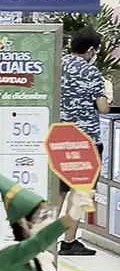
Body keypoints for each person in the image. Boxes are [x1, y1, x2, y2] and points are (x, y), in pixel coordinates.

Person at [58, 27, 108, 256]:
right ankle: (69, 242)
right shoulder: (91, 73)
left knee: (57, 192)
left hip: (59, 137)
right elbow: (103, 107)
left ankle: (42, 239)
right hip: (86, 140)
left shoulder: (57, 66)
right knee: (80, 193)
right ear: (90, 50)